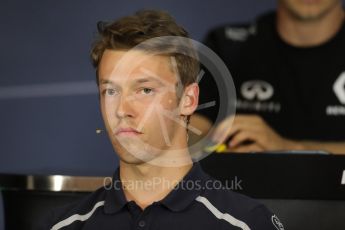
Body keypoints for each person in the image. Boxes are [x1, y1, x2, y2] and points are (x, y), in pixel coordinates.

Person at [37, 10, 284, 230]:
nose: (122, 110)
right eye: (111, 91)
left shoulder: (247, 223)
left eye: (145, 90)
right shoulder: (61, 225)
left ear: (188, 99)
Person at [198, 0, 345, 154]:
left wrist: (288, 149)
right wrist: (213, 144)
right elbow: (190, 131)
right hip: (246, 178)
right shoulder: (225, 46)